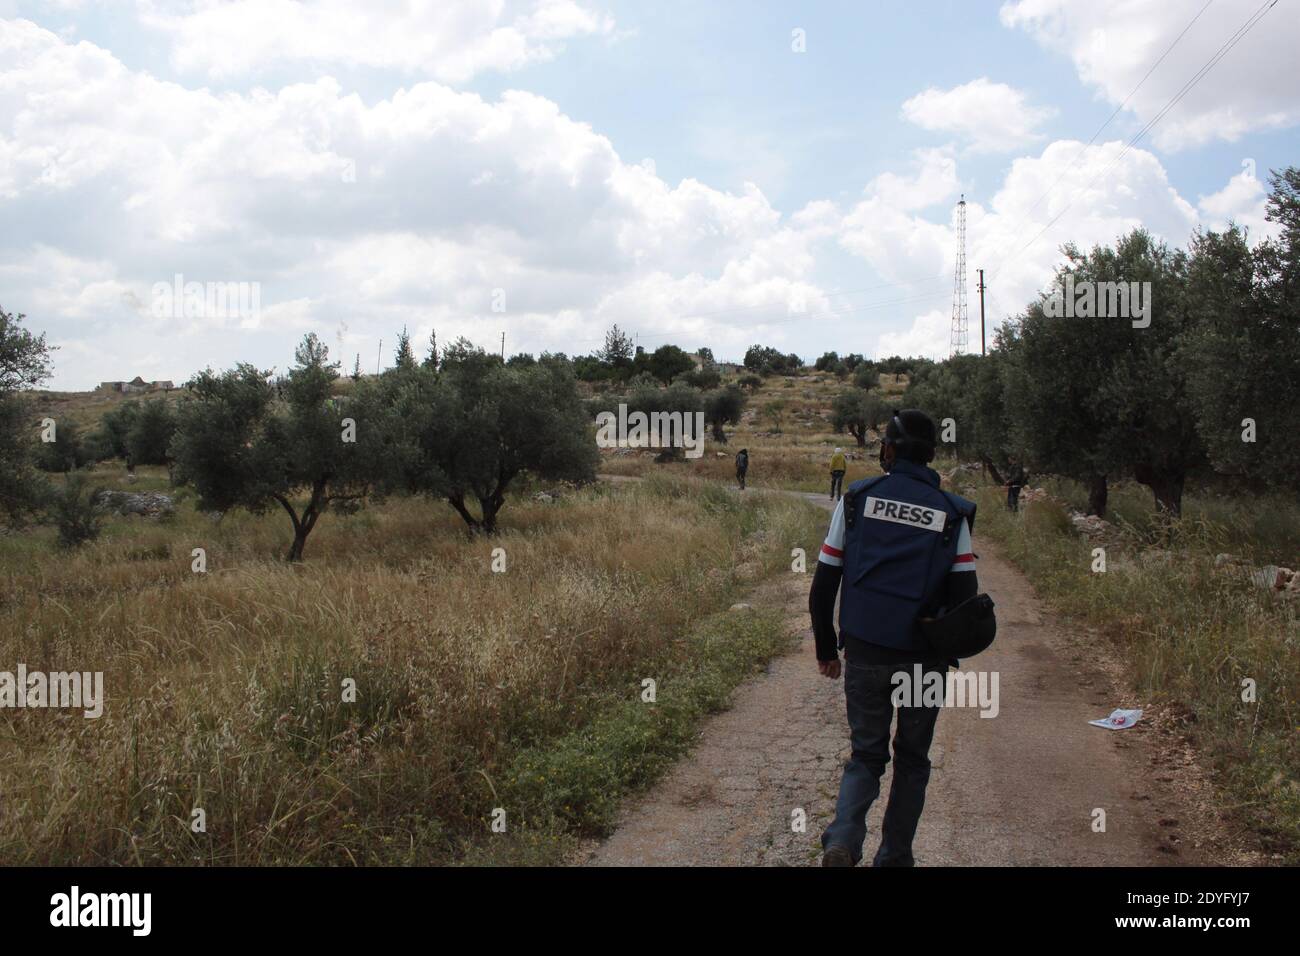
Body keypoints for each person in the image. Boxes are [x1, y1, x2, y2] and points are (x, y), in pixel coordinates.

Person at [808, 409, 980, 867]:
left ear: (889, 449)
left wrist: (827, 649)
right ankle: (895, 856)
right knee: (912, 759)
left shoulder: (857, 500)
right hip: (923, 662)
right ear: (929, 455)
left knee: (865, 755)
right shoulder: (953, 514)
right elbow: (965, 600)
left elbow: (823, 585)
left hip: (865, 652)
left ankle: (843, 839)